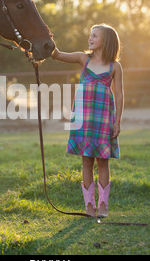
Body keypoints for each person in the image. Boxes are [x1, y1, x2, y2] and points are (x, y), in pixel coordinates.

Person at [51, 24, 124, 218]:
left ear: (105, 41)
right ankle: (89, 206)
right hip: (83, 118)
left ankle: (103, 205)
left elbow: (119, 95)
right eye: (90, 35)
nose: (90, 38)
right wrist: (48, 42)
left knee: (102, 162)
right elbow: (57, 54)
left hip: (103, 119)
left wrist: (117, 121)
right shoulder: (83, 59)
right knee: (86, 161)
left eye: (94, 36)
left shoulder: (114, 67)